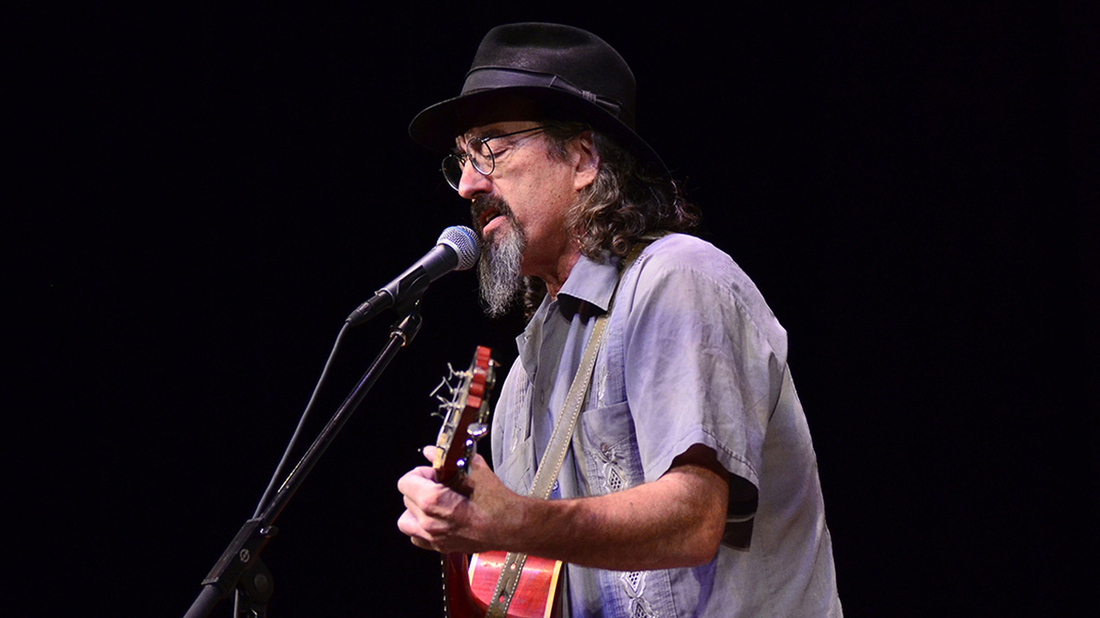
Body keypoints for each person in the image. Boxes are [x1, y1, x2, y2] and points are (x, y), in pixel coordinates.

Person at [397, 23, 842, 617]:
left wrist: (514, 518)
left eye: (493, 147)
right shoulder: (522, 382)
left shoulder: (678, 278)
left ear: (583, 157)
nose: (470, 184)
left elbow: (694, 521)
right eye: (462, 160)